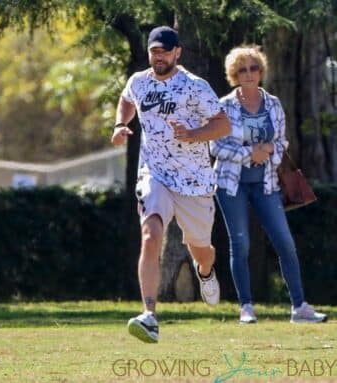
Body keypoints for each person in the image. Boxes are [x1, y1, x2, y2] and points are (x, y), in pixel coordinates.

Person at [111, 26, 231, 343]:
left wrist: (192, 135)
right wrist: (121, 124)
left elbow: (223, 124)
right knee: (150, 236)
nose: (158, 56)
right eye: (154, 51)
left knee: (201, 250)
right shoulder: (139, 82)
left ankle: (205, 272)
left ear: (177, 52)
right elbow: (126, 99)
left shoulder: (194, 86)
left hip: (194, 182)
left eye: (164, 50)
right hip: (155, 174)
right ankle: (149, 315)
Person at [211, 45, 327, 324]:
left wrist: (270, 151)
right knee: (240, 244)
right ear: (233, 75)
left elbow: (282, 142)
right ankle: (246, 307)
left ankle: (300, 307)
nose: (249, 74)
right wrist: (250, 153)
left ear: (261, 71)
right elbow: (215, 146)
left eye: (253, 68)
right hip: (231, 184)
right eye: (242, 69)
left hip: (266, 183)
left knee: (285, 242)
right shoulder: (224, 105)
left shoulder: (273, 103)